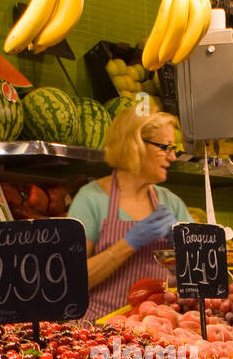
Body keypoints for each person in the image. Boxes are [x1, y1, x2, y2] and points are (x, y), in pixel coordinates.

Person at [68, 109, 191, 320]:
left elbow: (199, 275)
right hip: (100, 334)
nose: (172, 157)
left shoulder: (171, 203)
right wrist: (129, 243)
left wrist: (185, 251)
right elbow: (71, 278)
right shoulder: (91, 199)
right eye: (165, 147)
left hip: (157, 333)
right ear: (136, 145)